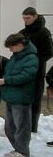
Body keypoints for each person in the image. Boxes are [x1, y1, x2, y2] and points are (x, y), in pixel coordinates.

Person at [0, 33, 39, 157]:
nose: (10, 50)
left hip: (22, 97)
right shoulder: (15, 57)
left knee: (21, 126)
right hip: (11, 96)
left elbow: (26, 76)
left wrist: (6, 80)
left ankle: (22, 151)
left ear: (20, 45)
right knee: (9, 127)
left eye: (11, 47)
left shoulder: (31, 58)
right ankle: (17, 148)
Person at [19, 8, 52, 136]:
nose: (26, 21)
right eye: (24, 18)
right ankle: (22, 125)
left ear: (35, 17)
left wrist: (34, 62)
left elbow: (49, 52)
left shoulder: (44, 32)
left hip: (37, 71)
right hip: (22, 70)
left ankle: (32, 127)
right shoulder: (23, 33)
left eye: (28, 18)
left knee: (35, 100)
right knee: (22, 98)